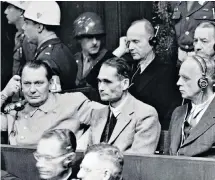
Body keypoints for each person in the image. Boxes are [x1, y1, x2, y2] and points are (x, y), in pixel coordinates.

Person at [0, 60, 103, 146]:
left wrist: (85, 144)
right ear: (20, 85)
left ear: (50, 83)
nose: (32, 90)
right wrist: (4, 93)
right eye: (27, 83)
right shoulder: (14, 111)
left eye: (38, 83)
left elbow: (110, 114)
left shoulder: (71, 102)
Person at [114, 19, 181, 130]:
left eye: (136, 41)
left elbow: (168, 113)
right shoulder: (130, 69)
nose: (130, 47)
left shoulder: (166, 71)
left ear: (152, 41)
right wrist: (120, 50)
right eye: (128, 42)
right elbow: (95, 78)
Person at [87, 57, 161, 154]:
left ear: (125, 84)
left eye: (107, 82)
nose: (101, 88)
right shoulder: (97, 114)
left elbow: (139, 161)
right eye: (99, 81)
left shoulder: (145, 114)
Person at [22, 1, 77, 91]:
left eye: (27, 23)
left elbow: (45, 99)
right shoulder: (63, 49)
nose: (23, 27)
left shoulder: (46, 59)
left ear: (40, 27)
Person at [167, 55, 215, 157]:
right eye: (179, 77)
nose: (178, 83)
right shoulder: (178, 113)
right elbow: (167, 157)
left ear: (204, 83)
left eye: (185, 78)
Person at [73, 12, 114, 89]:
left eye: (98, 37)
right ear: (79, 39)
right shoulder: (74, 59)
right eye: (89, 37)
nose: (95, 42)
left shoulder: (108, 58)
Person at [4, 1, 36, 75]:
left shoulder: (28, 38)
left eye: (9, 7)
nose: (5, 12)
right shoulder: (19, 35)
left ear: (21, 11)